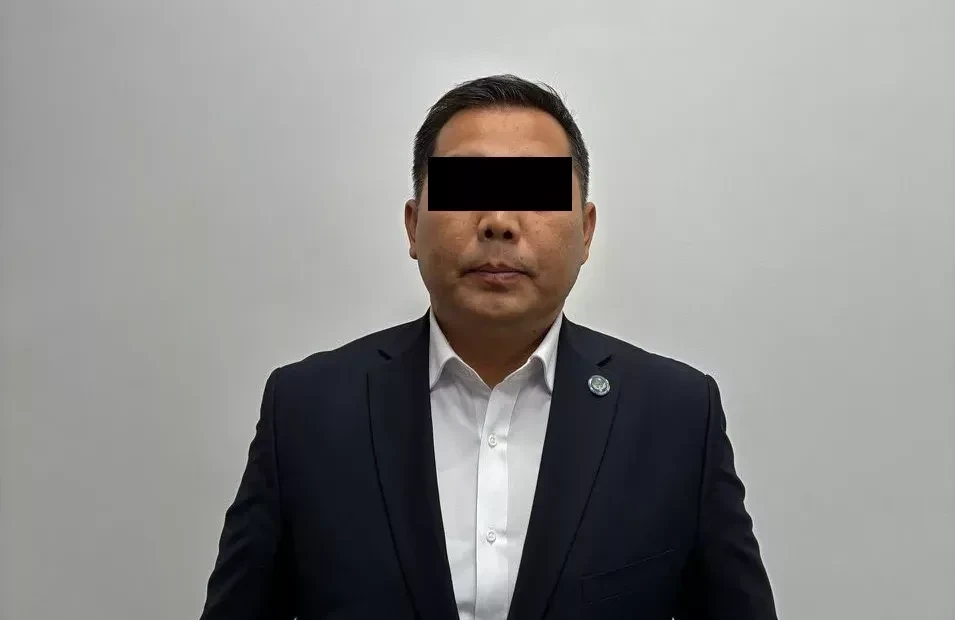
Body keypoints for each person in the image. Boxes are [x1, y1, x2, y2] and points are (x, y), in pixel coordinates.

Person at [199, 74, 779, 620]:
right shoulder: (305, 411)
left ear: (586, 231)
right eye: (466, 188)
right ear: (412, 225)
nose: (499, 221)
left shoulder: (678, 416)